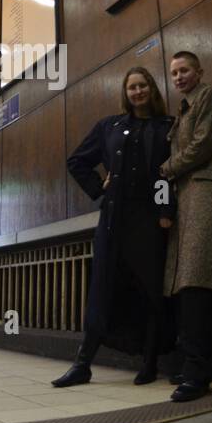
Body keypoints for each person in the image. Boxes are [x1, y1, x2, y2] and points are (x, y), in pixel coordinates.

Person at [53, 68, 176, 388]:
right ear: (126, 92)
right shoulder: (109, 126)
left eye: (143, 85)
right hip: (113, 218)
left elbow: (169, 175)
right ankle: (82, 364)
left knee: (150, 288)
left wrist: (165, 210)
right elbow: (76, 161)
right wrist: (99, 185)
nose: (138, 91)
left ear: (152, 88)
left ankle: (149, 362)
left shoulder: (167, 126)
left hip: (149, 219)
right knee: (102, 287)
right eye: (132, 87)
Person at [159, 51, 212, 402]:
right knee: (198, 284)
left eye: (184, 70)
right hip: (189, 201)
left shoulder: (208, 96)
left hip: (207, 196)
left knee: (195, 282)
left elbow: (203, 145)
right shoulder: (181, 112)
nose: (178, 77)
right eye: (174, 72)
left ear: (199, 72)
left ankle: (196, 372)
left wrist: (165, 168)